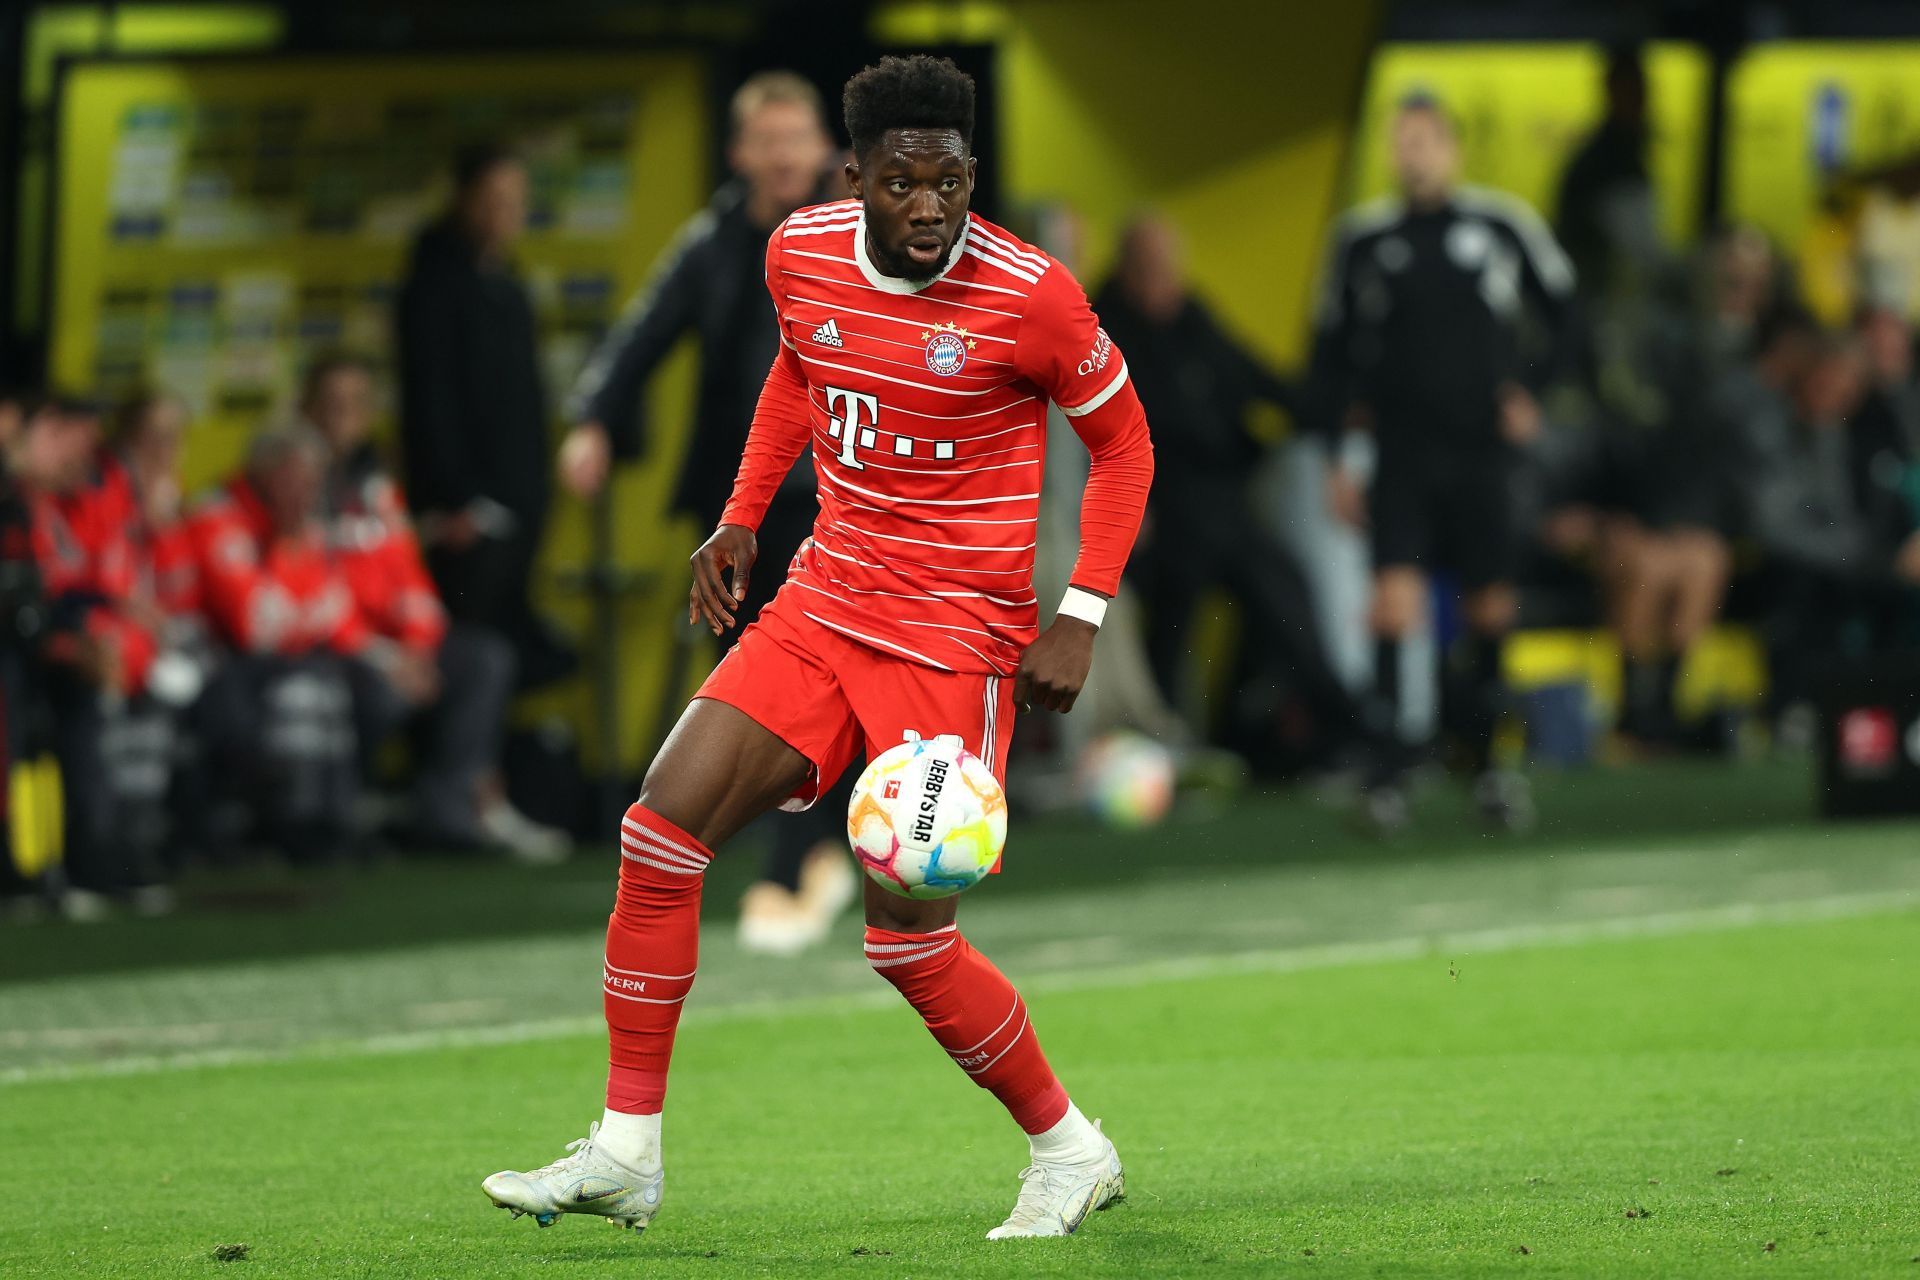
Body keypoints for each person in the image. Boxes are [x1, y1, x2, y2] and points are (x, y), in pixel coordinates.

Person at [483, 54, 1152, 1241]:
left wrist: (1081, 611)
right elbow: (801, 367)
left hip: (956, 638)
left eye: (952, 180)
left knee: (907, 937)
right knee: (659, 827)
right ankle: (627, 1150)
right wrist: (742, 513)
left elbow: (1124, 448)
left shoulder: (1032, 293)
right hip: (825, 600)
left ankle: (1068, 1145)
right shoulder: (797, 252)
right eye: (905, 183)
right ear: (857, 179)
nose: (932, 206)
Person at [557, 70, 855, 952]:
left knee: (829, 678)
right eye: (765, 138)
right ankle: (803, 856)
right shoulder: (715, 242)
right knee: (751, 689)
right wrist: (593, 420)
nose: (783, 152)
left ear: (822, 143)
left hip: (845, 492)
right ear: (739, 155)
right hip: (742, 504)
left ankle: (792, 866)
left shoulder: (865, 223)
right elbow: (644, 332)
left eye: (795, 134)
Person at [1310, 93, 1575, 832]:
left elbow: (1564, 314)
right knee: (1396, 603)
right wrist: (1337, 453)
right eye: (1402, 141)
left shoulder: (1500, 225)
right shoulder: (1362, 239)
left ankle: (1490, 763)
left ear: (1452, 149)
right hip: (1401, 452)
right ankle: (1393, 771)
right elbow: (1330, 353)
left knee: (1491, 606)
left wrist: (1531, 389)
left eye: (1425, 140)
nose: (1413, 154)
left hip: (1481, 453)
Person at [1097, 214, 1376, 772]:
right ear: (1128, 272)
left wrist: (1328, 415)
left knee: (1283, 592)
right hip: (1156, 509)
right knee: (1175, 611)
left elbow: (1257, 380)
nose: (1165, 282)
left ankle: (1338, 728)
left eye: (1169, 269)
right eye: (1152, 269)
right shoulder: (1100, 330)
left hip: (1220, 502)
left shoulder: (1194, 319)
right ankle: (1165, 746)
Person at [304, 353, 568, 863]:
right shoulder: (292, 479)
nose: (344, 418)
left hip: (395, 646)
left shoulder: (374, 482)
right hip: (336, 646)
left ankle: (451, 810)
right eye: (332, 405)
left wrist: (420, 647)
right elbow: (307, 592)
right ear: (308, 409)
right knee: (377, 692)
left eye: (356, 405)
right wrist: (384, 656)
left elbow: (408, 576)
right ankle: (347, 814)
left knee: (484, 658)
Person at [396, 142, 569, 691]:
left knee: (512, 644)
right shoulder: (431, 286)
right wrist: (458, 499)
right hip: (465, 511)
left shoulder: (509, 284)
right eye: (492, 198)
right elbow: (431, 401)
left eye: (515, 199)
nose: (505, 212)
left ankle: (487, 769)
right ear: (463, 200)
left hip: (519, 499)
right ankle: (464, 772)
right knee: (470, 645)